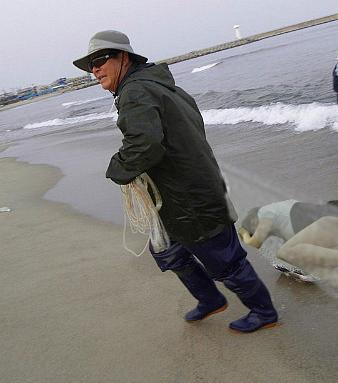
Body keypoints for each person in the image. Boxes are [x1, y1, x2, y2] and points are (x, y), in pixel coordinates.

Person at [72, 30, 277, 333]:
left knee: (225, 260)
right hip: (177, 195)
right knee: (167, 249)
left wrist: (118, 169)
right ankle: (210, 299)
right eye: (91, 64)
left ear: (124, 58)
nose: (95, 69)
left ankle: (264, 312)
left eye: (101, 60)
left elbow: (145, 144)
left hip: (192, 198)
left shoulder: (136, 92)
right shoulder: (161, 87)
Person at [239, 199, 338, 329]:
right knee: (307, 256)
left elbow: (256, 242)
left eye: (253, 224)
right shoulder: (288, 223)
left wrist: (243, 232)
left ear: (255, 215)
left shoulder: (266, 211)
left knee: (286, 252)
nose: (257, 228)